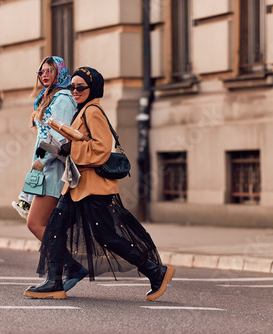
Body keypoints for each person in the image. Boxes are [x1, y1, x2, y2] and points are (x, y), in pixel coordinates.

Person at [24, 66, 175, 301]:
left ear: (92, 87)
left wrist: (72, 147)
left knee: (108, 237)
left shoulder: (93, 111)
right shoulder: (83, 110)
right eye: (72, 86)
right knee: (54, 230)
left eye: (80, 87)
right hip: (76, 186)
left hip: (93, 187)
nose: (75, 90)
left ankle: (156, 271)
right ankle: (54, 282)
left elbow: (102, 149)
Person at [12, 56, 77, 241]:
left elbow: (62, 137)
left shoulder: (63, 99)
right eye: (41, 71)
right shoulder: (49, 96)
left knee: (34, 223)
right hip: (44, 168)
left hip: (53, 169)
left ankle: (69, 264)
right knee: (49, 225)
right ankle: (61, 265)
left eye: (50, 70)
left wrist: (43, 160)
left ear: (60, 71)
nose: (45, 75)